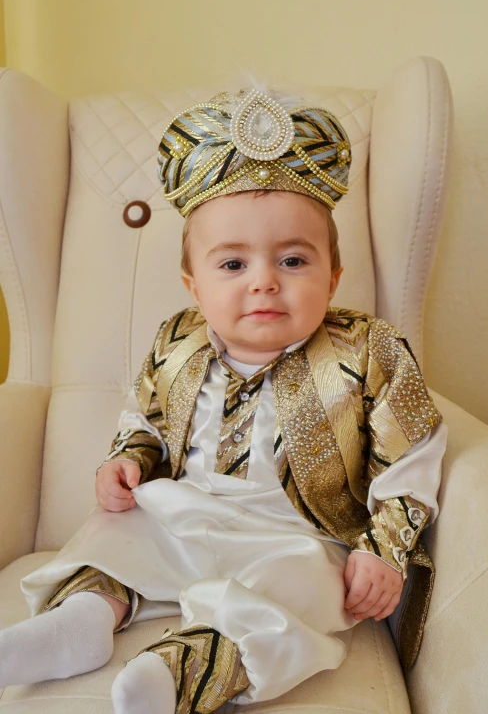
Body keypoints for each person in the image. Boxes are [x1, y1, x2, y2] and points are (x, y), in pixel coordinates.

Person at [0, 87, 448, 713]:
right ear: (194, 285)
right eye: (232, 265)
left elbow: (412, 457)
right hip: (185, 516)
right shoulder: (178, 341)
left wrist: (383, 549)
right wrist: (127, 461)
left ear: (334, 278)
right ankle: (81, 620)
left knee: (304, 591)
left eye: (293, 259)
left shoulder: (367, 349)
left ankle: (184, 670)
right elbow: (147, 419)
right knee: (114, 532)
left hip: (298, 537)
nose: (264, 279)